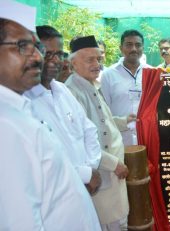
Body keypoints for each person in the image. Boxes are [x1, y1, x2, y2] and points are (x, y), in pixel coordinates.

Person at [0, 1, 100, 230]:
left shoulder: (19, 109)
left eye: (38, 48)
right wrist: (83, 174)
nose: (38, 58)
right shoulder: (5, 125)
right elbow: (20, 222)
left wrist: (86, 171)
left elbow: (87, 130)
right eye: (22, 46)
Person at [25, 25, 102, 194]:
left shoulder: (62, 90)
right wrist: (83, 175)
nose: (55, 60)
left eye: (59, 54)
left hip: (86, 187)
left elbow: (89, 130)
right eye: (47, 54)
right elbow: (41, 159)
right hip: (56, 193)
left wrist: (90, 169)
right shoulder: (24, 101)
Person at [65, 35, 130, 230]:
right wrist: (114, 163)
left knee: (119, 218)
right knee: (110, 222)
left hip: (111, 171)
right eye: (90, 60)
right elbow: (80, 140)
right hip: (102, 173)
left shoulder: (90, 84)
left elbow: (104, 122)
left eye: (99, 59)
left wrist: (125, 121)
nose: (97, 64)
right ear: (73, 63)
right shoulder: (72, 92)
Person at [101, 29, 150, 146]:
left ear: (143, 48)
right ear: (121, 48)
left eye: (138, 45)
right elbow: (103, 111)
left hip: (147, 138)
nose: (134, 49)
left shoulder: (151, 73)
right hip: (119, 140)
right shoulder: (109, 75)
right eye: (129, 45)